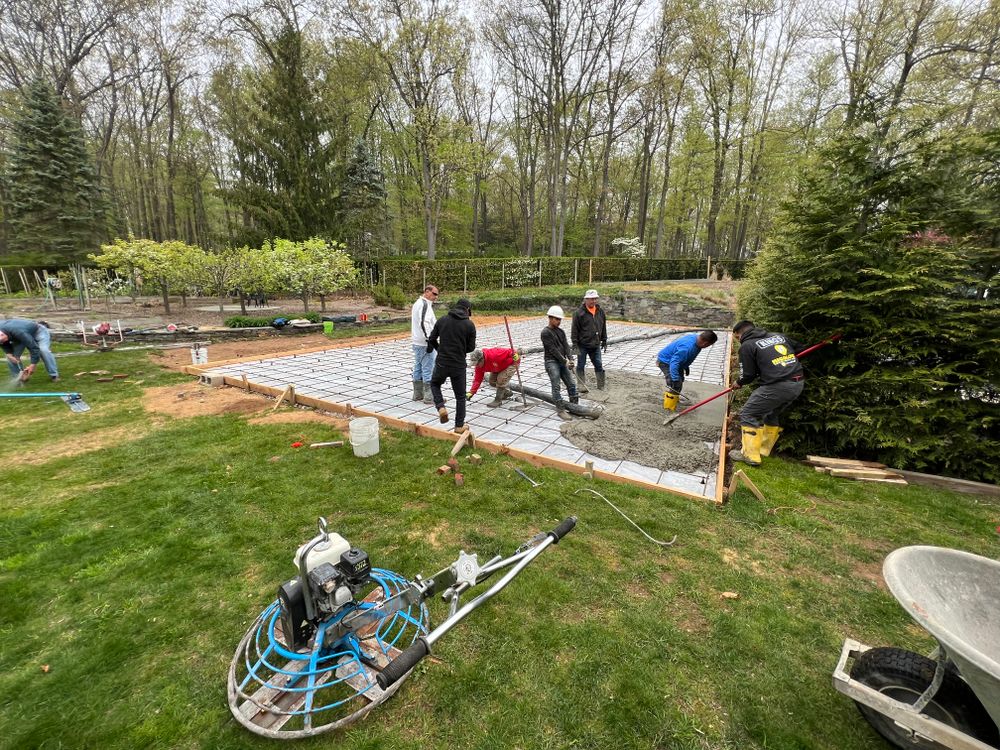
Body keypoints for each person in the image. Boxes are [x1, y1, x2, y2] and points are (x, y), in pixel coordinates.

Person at [729, 320, 806, 465]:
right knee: (771, 414)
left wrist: (738, 383)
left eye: (737, 338)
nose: (738, 341)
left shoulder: (748, 346)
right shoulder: (778, 336)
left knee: (748, 413)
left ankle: (750, 455)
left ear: (739, 334)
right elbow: (800, 349)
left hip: (778, 385)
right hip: (797, 383)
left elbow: (748, 375)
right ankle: (763, 450)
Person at [426, 298, 476, 433]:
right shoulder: (469, 325)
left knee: (435, 384)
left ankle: (441, 407)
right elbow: (471, 348)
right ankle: (459, 426)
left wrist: (440, 350)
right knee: (460, 397)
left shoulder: (442, 320)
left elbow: (431, 340)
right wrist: (459, 349)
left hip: (442, 362)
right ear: (467, 310)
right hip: (458, 365)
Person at [540, 306, 579, 421]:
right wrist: (565, 361)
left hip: (563, 362)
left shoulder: (561, 331)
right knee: (556, 386)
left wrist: (570, 358)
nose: (559, 321)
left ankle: (574, 406)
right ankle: (561, 410)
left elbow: (566, 346)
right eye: (557, 319)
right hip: (551, 362)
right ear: (550, 318)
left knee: (571, 384)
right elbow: (553, 350)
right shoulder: (545, 332)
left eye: (560, 319)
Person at [656, 330, 718, 395]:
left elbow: (683, 357)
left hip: (674, 361)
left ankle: (674, 397)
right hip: (665, 362)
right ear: (705, 343)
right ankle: (669, 403)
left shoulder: (695, 338)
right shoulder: (687, 348)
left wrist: (685, 366)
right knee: (675, 384)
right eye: (708, 345)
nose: (707, 347)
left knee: (680, 380)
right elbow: (674, 363)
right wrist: (675, 379)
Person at [570, 289, 608, 392]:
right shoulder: (579, 313)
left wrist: (604, 340)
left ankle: (601, 385)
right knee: (581, 365)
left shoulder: (600, 312)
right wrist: (574, 344)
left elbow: (603, 326)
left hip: (595, 344)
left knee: (599, 364)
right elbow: (574, 329)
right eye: (591, 299)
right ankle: (581, 385)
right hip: (582, 345)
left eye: (595, 299)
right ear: (586, 299)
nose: (594, 301)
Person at [0, 318, 59, 383]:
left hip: (38, 332)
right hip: (18, 337)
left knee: (43, 350)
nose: (3, 343)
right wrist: (8, 353)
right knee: (12, 357)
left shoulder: (19, 332)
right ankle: (19, 378)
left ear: (3, 334)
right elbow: (3, 344)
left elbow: (34, 348)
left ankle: (54, 375)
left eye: (3, 341)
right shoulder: (2, 335)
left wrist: (33, 365)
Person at [411, 284, 438, 404]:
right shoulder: (424, 304)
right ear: (427, 292)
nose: (436, 297)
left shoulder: (419, 303)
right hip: (424, 342)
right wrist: (429, 340)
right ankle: (429, 396)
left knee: (418, 366)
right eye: (434, 294)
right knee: (428, 368)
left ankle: (417, 394)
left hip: (417, 342)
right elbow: (424, 323)